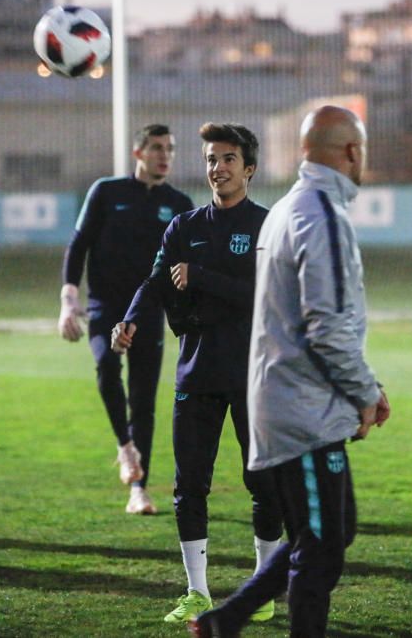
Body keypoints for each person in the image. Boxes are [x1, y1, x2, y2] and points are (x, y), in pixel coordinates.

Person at [190, 105, 390, 638]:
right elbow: (325, 326)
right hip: (303, 411)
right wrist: (366, 393)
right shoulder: (320, 215)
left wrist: (367, 388)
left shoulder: (286, 209)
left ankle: (225, 619)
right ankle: (229, 620)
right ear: (351, 151)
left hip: (289, 400)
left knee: (328, 532)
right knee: (320, 552)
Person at [111, 123, 282, 624]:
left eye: (228, 159)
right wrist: (130, 319)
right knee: (189, 487)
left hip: (254, 375)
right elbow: (155, 281)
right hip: (197, 374)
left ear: (248, 169)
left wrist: (203, 276)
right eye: (211, 159)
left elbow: (266, 296)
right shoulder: (184, 226)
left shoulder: (266, 227)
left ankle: (262, 589)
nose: (217, 168)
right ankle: (197, 592)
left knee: (264, 484)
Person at [59, 124, 193, 515]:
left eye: (169, 148)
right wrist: (69, 300)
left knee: (144, 403)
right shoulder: (106, 191)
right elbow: (78, 244)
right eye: (156, 148)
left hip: (148, 314)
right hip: (103, 307)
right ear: (138, 154)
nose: (164, 155)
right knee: (105, 365)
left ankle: (139, 488)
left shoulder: (180, 203)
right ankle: (124, 445)